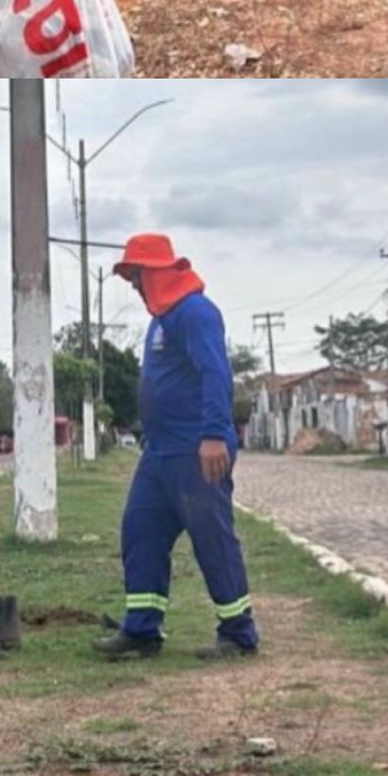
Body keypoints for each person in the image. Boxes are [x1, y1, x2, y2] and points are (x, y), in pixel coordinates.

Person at [94, 233, 259, 663]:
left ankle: (239, 633)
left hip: (196, 449)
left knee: (212, 538)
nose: (132, 282)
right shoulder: (160, 320)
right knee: (140, 531)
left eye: (136, 273)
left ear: (159, 270)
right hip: (159, 452)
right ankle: (142, 630)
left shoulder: (196, 313)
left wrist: (212, 435)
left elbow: (215, 373)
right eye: (129, 274)